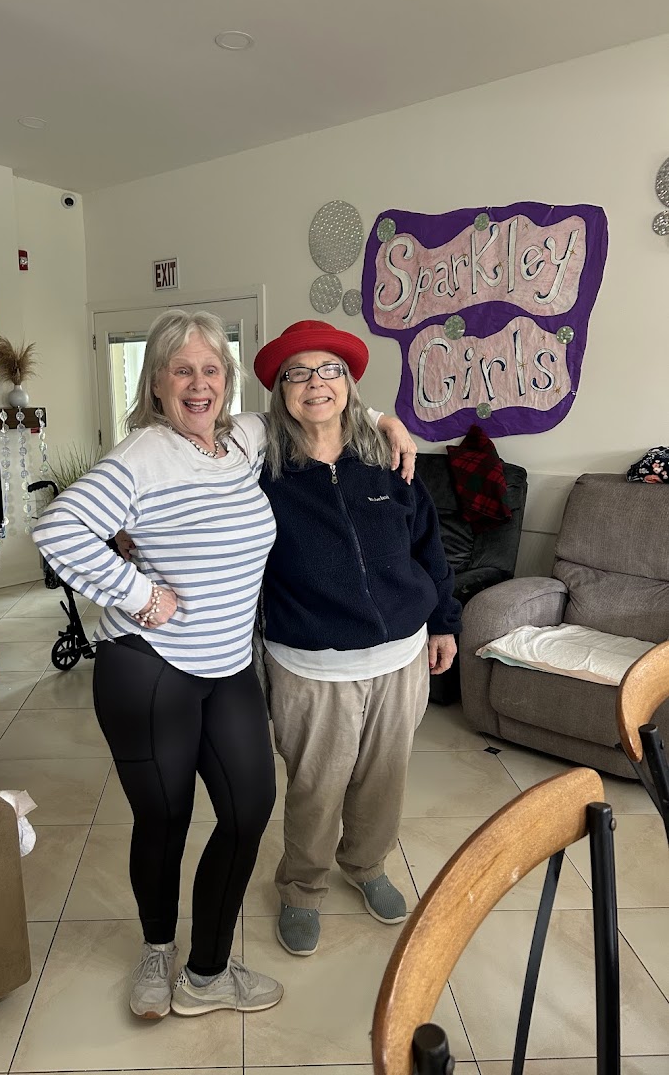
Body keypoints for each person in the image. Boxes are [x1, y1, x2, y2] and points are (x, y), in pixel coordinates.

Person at [32, 309, 416, 1020]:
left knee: (247, 811)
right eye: (181, 371)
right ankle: (157, 951)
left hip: (229, 667)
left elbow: (315, 402)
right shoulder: (144, 454)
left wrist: (386, 421)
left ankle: (206, 973)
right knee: (166, 819)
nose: (198, 384)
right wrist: (140, 594)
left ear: (229, 381)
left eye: (211, 369)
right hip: (149, 668)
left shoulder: (244, 437)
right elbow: (58, 529)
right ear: (156, 382)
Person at [252, 319, 461, 957]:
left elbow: (428, 546)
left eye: (330, 370)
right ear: (280, 390)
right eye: (298, 373)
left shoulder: (389, 461)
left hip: (401, 655)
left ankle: (367, 865)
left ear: (348, 382)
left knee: (384, 778)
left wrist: (444, 620)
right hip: (310, 664)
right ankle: (302, 887)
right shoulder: (259, 471)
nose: (316, 383)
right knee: (315, 789)